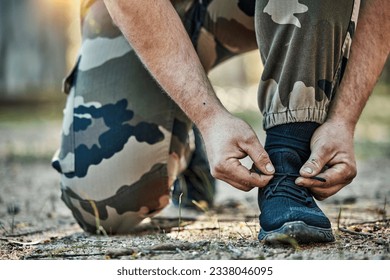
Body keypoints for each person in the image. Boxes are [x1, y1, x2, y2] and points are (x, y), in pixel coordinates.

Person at [52, 0, 389, 243]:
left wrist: (345, 118)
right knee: (102, 206)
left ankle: (289, 167)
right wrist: (208, 118)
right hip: (146, 10)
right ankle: (185, 145)